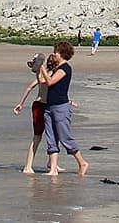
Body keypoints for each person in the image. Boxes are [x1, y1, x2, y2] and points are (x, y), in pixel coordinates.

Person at [36, 41, 89, 175]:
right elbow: (42, 82)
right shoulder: (56, 69)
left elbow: (50, 82)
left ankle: (82, 162)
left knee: (65, 137)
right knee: (51, 137)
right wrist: (37, 70)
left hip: (60, 107)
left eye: (56, 52)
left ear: (62, 54)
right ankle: (53, 169)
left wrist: (42, 68)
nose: (53, 54)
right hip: (49, 106)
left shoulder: (65, 69)